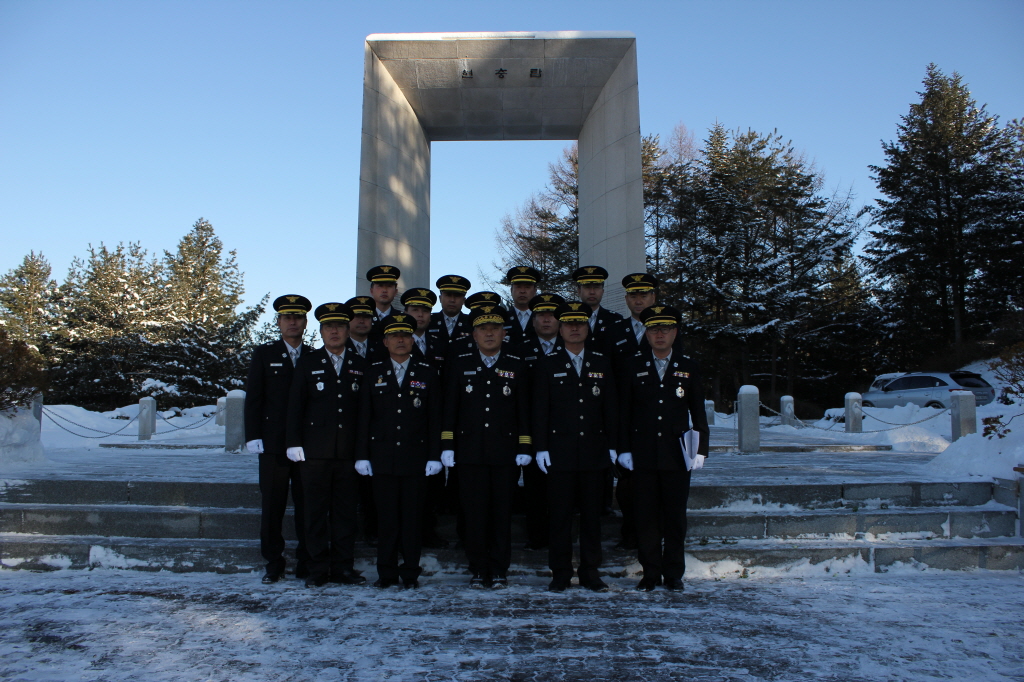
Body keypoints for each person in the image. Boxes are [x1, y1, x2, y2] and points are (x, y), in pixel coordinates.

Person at [617, 305, 710, 592]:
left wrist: (701, 449)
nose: (660, 334)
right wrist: (623, 449)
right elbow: (623, 412)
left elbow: (698, 412)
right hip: (642, 453)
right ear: (646, 334)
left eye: (666, 329)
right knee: (645, 517)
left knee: (675, 517)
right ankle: (650, 573)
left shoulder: (689, 366)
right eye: (654, 329)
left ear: (675, 333)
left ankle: (673, 574)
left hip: (677, 453)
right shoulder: (631, 365)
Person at [441, 304, 531, 588]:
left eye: (495, 328)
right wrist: (447, 444)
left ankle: (499, 568)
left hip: (505, 452)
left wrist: (524, 446)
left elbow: (524, 410)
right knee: (474, 513)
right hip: (469, 452)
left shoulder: (516, 363)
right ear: (474, 334)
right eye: (483, 329)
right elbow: (450, 408)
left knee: (501, 514)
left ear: (504, 333)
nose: (489, 333)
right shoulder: (460, 363)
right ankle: (478, 568)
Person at [532, 302, 618, 592]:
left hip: (594, 451)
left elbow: (610, 407)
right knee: (559, 517)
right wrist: (540, 447)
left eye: (580, 323)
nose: (574, 328)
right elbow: (540, 409)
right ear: (560, 328)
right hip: (559, 452)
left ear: (587, 328)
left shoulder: (601, 362)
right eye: (568, 324)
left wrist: (613, 445)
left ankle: (591, 572)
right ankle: (560, 573)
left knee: (592, 517)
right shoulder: (547, 363)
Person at [355, 313, 443, 589]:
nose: (401, 340)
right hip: (382, 458)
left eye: (405, 335)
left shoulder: (427, 372)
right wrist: (361, 454)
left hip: (416, 458)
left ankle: (410, 574)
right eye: (394, 336)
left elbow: (434, 418)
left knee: (412, 520)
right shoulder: (373, 372)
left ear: (413, 340)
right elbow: (364, 417)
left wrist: (435, 455)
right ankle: (387, 573)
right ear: (385, 341)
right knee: (387, 520)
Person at [285, 302, 368, 588]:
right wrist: (293, 442)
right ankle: (317, 568)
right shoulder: (308, 362)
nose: (335, 331)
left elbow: (365, 412)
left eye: (340, 326)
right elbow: (295, 405)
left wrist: (363, 451)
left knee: (345, 514)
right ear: (320, 332)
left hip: (348, 453)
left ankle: (343, 567)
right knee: (315, 513)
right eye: (329, 327)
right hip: (314, 454)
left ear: (347, 330)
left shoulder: (360, 364)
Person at [244, 294, 313, 584]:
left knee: (307, 505)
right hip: (273, 443)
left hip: (306, 445)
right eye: (287, 317)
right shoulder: (265, 354)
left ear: (305, 322)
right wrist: (253, 435)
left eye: (297, 317)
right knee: (273, 505)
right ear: (279, 322)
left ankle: (306, 561)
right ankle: (273, 563)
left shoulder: (314, 356)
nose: (292, 322)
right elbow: (254, 397)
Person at [607, 272, 659, 551]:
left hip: (655, 414)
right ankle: (630, 533)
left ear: (653, 298)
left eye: (644, 295)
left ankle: (652, 533)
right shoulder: (615, 330)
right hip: (623, 414)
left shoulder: (665, 329)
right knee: (626, 480)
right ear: (626, 299)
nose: (639, 300)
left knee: (654, 478)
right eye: (634, 295)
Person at [513, 292, 566, 551]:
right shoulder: (519, 350)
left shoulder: (571, 347)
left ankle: (560, 537)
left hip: (564, 429)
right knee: (534, 486)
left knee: (563, 488)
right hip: (531, 428)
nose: (546, 319)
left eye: (552, 315)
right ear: (533, 320)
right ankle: (537, 537)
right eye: (541, 315)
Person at [399, 287, 449, 549]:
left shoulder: (441, 343)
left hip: (434, 419)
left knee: (433, 482)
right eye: (415, 310)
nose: (420, 315)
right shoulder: (396, 341)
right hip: (404, 422)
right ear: (406, 312)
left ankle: (428, 531)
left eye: (425, 311)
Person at [345, 295, 381, 545]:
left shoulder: (382, 348)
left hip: (376, 427)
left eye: (366, 316)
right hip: (344, 429)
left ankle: (372, 530)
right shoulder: (336, 348)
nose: (362, 320)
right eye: (356, 316)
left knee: (373, 486)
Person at [572, 265, 623, 352]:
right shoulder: (569, 320)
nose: (592, 292)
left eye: (596, 287)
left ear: (602, 291)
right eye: (587, 287)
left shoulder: (614, 319)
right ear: (579, 291)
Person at [427, 274, 471, 365]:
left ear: (463, 300)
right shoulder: (429, 321)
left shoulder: (471, 323)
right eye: (448, 295)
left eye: (457, 296)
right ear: (440, 298)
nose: (452, 300)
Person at [504, 266, 542, 349]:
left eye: (527, 287)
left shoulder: (543, 318)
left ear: (535, 291)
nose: (522, 291)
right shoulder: (503, 318)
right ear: (511, 290)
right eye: (518, 287)